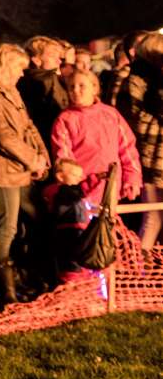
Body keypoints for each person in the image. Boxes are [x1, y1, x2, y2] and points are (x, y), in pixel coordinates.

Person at [0, 43, 49, 308]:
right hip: (3, 172)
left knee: (25, 222)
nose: (22, 74)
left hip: (22, 169)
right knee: (6, 228)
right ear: (5, 66)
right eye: (18, 68)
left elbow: (28, 125)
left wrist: (42, 155)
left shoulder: (10, 91)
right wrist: (32, 158)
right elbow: (3, 137)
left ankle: (23, 279)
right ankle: (7, 290)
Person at [51, 69, 142, 217]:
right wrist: (76, 186)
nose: (76, 91)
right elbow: (63, 157)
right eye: (71, 87)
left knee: (107, 232)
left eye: (82, 86)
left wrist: (132, 178)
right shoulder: (65, 119)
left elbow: (127, 148)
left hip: (111, 186)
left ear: (94, 88)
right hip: (82, 191)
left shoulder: (111, 114)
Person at [113, 31, 163, 249]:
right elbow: (134, 118)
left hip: (156, 154)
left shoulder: (153, 78)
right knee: (152, 215)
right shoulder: (135, 79)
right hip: (151, 155)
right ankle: (141, 273)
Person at [19, 36, 69, 147]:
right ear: (36, 59)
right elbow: (61, 109)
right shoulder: (49, 79)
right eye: (52, 56)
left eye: (58, 56)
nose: (59, 61)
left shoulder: (19, 79)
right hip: (53, 136)